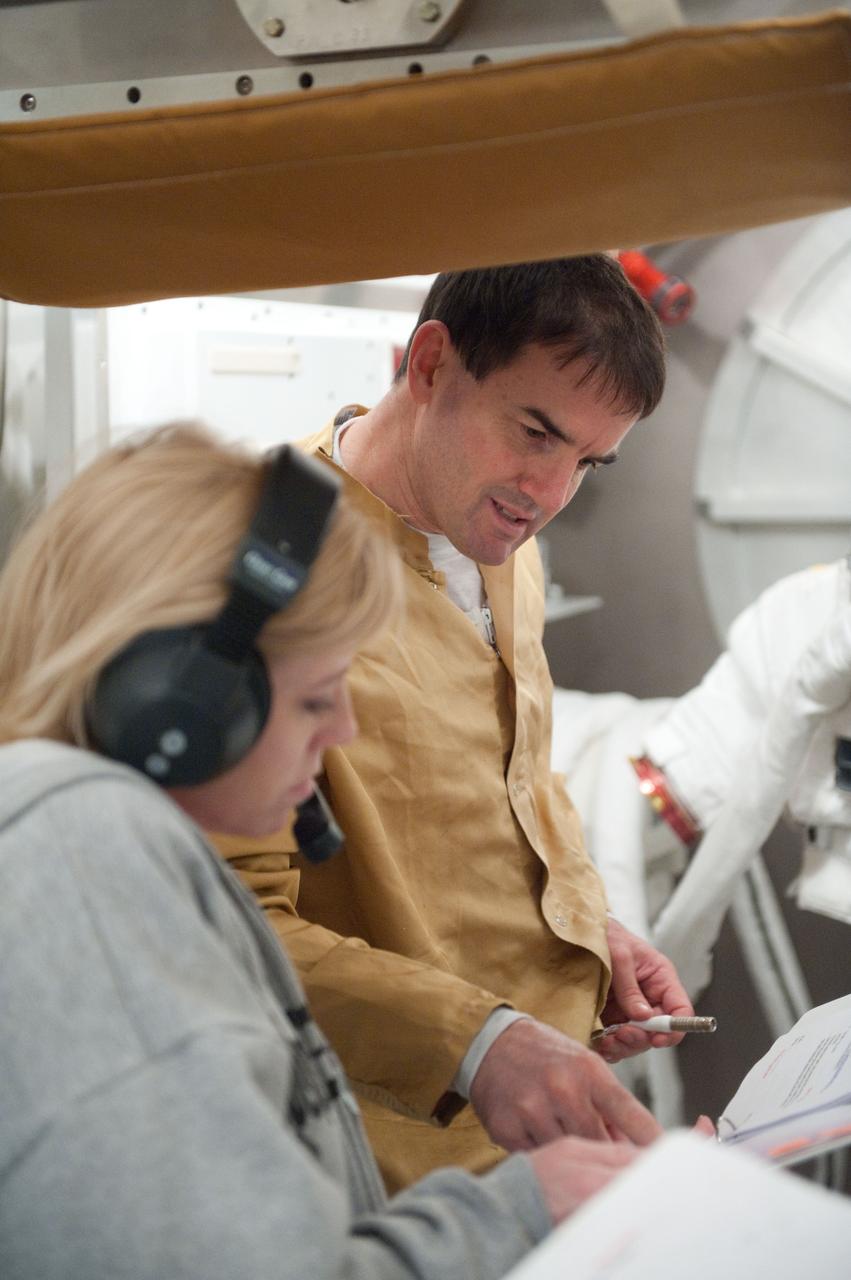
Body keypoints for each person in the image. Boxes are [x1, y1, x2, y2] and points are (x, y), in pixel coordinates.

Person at [0, 422, 651, 1279]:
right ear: (176, 710)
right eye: (314, 701)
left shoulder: (106, 848)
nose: (340, 730)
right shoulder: (82, 867)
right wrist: (523, 1210)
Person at [215, 255, 695, 1192]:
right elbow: (230, 921)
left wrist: (590, 940)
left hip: (547, 1120)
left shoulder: (501, 545)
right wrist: (479, 1043)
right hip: (387, 1166)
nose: (549, 493)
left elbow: (510, 790)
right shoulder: (263, 570)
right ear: (430, 363)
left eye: (587, 463)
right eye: (535, 432)